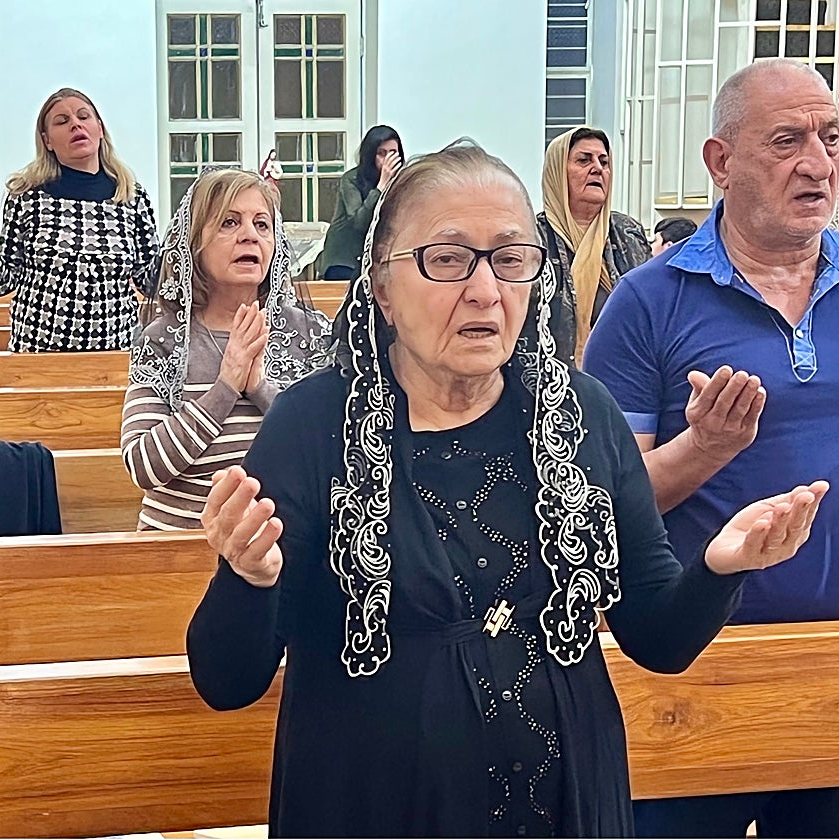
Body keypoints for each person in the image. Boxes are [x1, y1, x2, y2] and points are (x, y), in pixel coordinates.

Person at [186, 139, 827, 837]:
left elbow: (658, 640)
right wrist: (247, 579)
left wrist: (719, 566)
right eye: (449, 259)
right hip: (372, 801)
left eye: (511, 259)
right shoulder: (312, 426)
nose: (485, 290)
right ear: (382, 286)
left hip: (567, 803)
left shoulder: (581, 414)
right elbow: (227, 681)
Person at [583, 58, 839, 837]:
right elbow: (595, 508)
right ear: (720, 162)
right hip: (693, 676)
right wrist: (706, 449)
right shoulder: (647, 303)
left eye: (831, 138)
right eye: (788, 140)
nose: (819, 164)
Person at [122, 169, 331, 530]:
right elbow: (144, 466)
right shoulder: (164, 338)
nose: (250, 235)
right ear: (195, 244)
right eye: (229, 223)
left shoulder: (309, 332)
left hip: (280, 548)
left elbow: (332, 452)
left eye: (262, 225)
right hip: (175, 553)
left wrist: (260, 389)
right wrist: (226, 387)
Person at [0, 87, 161, 351]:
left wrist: (189, 245)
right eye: (62, 121)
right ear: (47, 140)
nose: (75, 124)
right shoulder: (26, 195)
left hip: (116, 351)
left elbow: (150, 279)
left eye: (83, 117)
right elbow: (3, 282)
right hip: (40, 351)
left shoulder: (131, 195)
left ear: (99, 128)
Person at [526, 126, 651, 366]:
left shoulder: (627, 234)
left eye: (604, 162)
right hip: (547, 384)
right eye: (584, 160)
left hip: (623, 380)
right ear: (557, 172)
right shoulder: (532, 239)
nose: (598, 169)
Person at [317, 124, 404, 281]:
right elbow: (360, 222)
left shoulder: (401, 182)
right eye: (381, 154)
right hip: (344, 260)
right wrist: (381, 186)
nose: (388, 160)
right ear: (371, 155)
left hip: (376, 260)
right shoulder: (351, 179)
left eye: (393, 153)